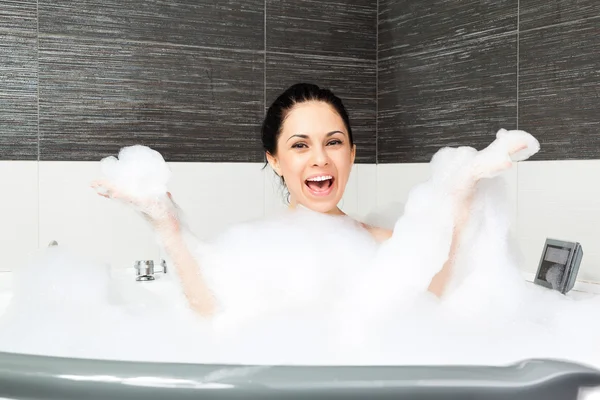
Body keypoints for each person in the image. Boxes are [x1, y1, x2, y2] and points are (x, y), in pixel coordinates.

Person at [92, 83, 533, 317]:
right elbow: (210, 315)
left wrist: (462, 189)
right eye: (300, 145)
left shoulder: (390, 244)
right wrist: (166, 225)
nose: (320, 159)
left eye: (334, 142)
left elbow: (433, 301)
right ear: (276, 160)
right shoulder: (250, 246)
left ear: (352, 153)